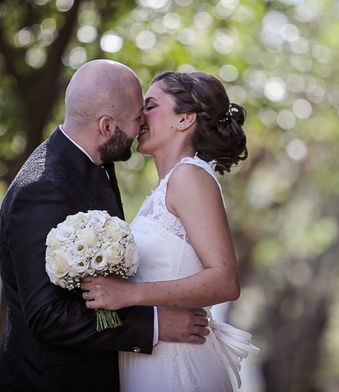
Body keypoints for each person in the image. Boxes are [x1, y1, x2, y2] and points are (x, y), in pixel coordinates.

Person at [0, 60, 210, 392]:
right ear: (107, 126)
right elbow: (48, 318)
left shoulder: (97, 164)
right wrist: (154, 325)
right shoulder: (41, 189)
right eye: (138, 117)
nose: (142, 126)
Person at [82, 71, 259, 391]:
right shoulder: (166, 187)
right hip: (150, 356)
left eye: (150, 105)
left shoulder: (189, 177)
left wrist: (128, 294)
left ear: (184, 119)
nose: (139, 114)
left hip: (176, 364)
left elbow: (225, 280)